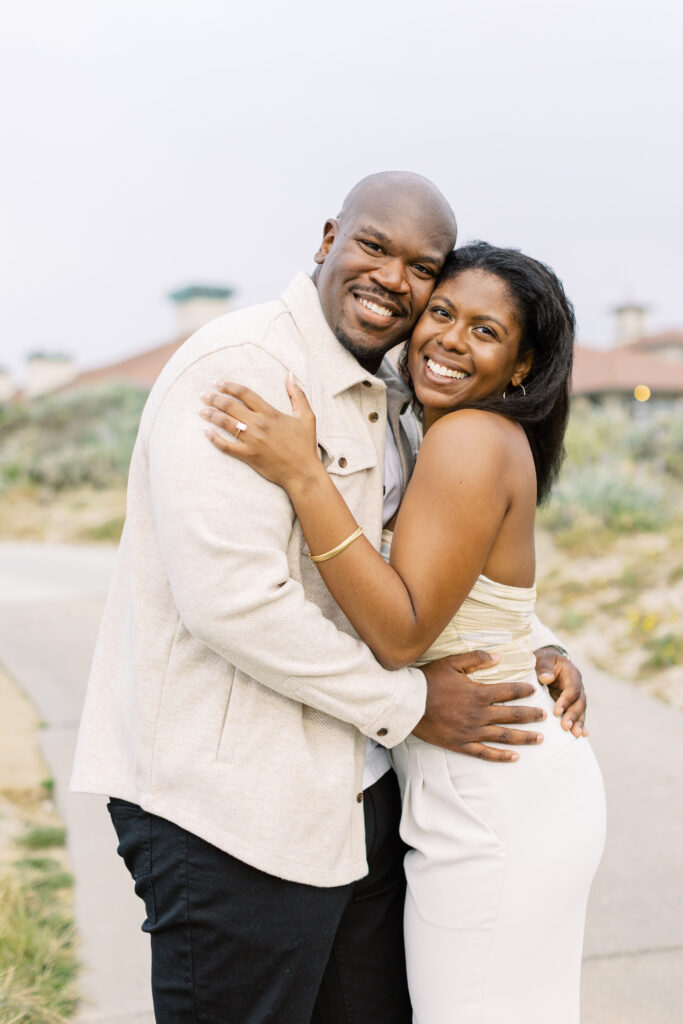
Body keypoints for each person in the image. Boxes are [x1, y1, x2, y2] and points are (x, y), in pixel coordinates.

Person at [71, 173, 586, 1023]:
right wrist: (412, 701)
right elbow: (235, 604)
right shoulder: (247, 368)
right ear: (326, 239)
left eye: (422, 267)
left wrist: (531, 642)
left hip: (356, 801)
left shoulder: (398, 398)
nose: (393, 278)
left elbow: (427, 564)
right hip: (231, 812)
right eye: (374, 246)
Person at [200, 240, 606, 1023]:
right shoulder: (445, 430)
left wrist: (303, 475)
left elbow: (402, 635)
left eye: (485, 332)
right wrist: (543, 645)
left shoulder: (466, 438)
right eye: (443, 313)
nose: (450, 339)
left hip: (490, 787)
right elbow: (476, 587)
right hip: (503, 775)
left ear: (522, 367)